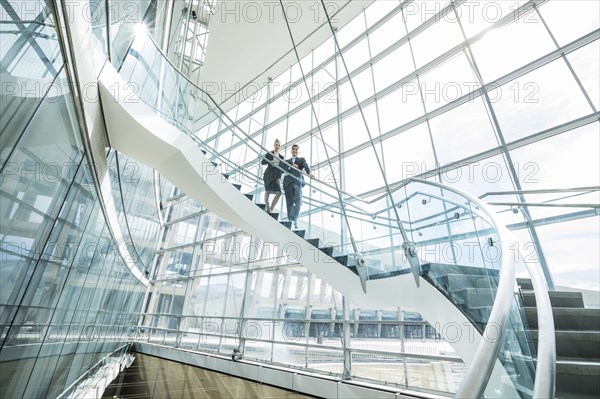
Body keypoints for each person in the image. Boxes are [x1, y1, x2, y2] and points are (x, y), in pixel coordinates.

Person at [283, 144, 314, 228]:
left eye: (296, 149)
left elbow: (306, 166)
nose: (294, 150)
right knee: (289, 202)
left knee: (298, 202)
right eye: (293, 149)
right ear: (291, 151)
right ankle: (291, 220)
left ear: (298, 151)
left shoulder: (301, 160)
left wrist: (309, 173)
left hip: (297, 182)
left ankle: (294, 218)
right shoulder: (287, 161)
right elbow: (283, 169)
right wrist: (291, 167)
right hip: (288, 182)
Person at [261, 139, 284, 213]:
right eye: (276, 145)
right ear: (274, 145)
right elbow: (263, 162)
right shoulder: (269, 153)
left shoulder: (281, 157)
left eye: (278, 145)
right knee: (267, 192)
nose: (277, 146)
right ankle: (268, 208)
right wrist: (270, 162)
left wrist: (279, 177)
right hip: (268, 174)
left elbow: (281, 168)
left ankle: (271, 208)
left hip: (276, 175)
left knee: (279, 193)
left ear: (280, 147)